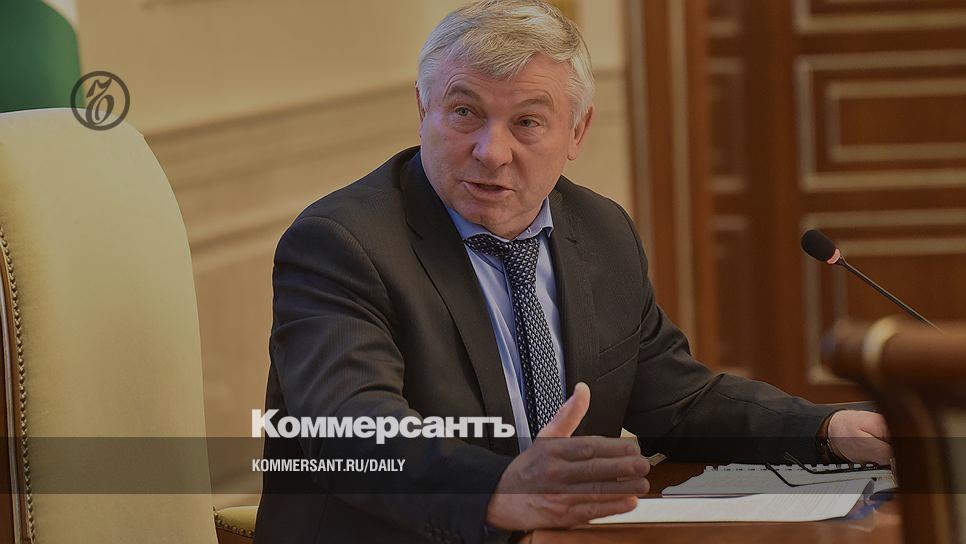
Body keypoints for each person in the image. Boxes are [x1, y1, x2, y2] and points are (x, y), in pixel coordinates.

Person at [254, 1, 892, 542]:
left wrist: (828, 429)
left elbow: (677, 402)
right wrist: (500, 491)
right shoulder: (342, 244)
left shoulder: (599, 231)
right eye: (464, 112)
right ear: (423, 109)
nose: (491, 151)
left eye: (527, 122)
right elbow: (351, 431)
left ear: (577, 131)